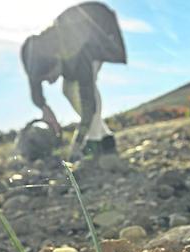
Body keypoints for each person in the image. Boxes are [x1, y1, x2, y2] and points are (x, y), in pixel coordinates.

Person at [20, 2, 126, 160]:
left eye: (50, 76)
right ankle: (106, 138)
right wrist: (44, 108)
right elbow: (35, 84)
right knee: (68, 89)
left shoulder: (80, 53)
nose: (49, 82)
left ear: (57, 60)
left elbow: (89, 103)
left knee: (80, 88)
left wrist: (78, 140)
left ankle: (94, 140)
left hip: (100, 29)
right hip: (74, 28)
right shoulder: (33, 53)